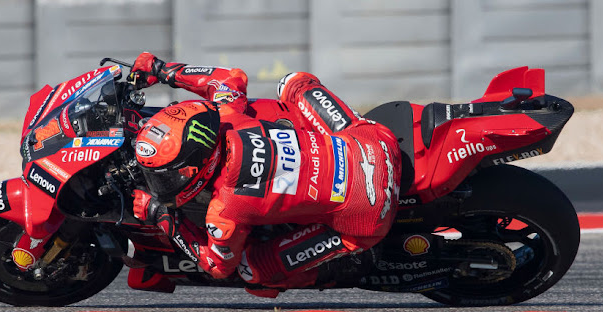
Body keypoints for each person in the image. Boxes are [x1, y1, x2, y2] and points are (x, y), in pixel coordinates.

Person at [128, 52, 401, 297]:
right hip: (375, 143)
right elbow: (230, 77)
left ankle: (345, 266)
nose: (164, 183)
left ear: (202, 164)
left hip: (367, 216)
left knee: (251, 271)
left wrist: (160, 215)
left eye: (168, 176)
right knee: (293, 82)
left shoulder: (224, 210)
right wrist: (163, 69)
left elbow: (216, 265)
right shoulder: (227, 113)